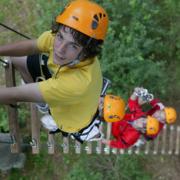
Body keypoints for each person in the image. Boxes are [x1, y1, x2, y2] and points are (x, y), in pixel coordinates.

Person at [0, 0, 109, 143]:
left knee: (39, 87)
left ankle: (44, 102)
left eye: (73, 46)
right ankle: (42, 97)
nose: (60, 48)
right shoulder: (66, 35)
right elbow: (32, 46)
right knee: (16, 59)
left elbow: (13, 94)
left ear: (86, 52)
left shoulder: (77, 84)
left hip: (69, 118)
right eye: (60, 37)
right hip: (65, 82)